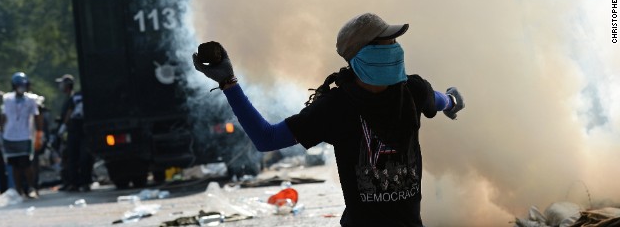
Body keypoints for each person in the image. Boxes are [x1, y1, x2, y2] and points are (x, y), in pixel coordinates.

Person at [192, 13, 465, 227]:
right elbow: (267, 138)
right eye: (385, 43)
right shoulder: (334, 108)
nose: (394, 48)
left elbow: (439, 100)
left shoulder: (413, 90)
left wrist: (452, 102)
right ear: (360, 56)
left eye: (394, 42)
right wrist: (229, 83)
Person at [1, 72, 43, 198]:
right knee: (15, 166)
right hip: (9, 136)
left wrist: (40, 134)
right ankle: (19, 190)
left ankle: (31, 187)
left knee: (26, 164)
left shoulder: (31, 100)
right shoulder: (7, 99)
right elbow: (3, 117)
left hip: (25, 135)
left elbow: (37, 117)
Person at [56, 74, 91, 192]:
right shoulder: (73, 97)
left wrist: (63, 127)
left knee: (79, 158)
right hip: (77, 132)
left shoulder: (75, 97)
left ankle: (79, 182)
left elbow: (69, 113)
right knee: (73, 158)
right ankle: (75, 182)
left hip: (77, 131)